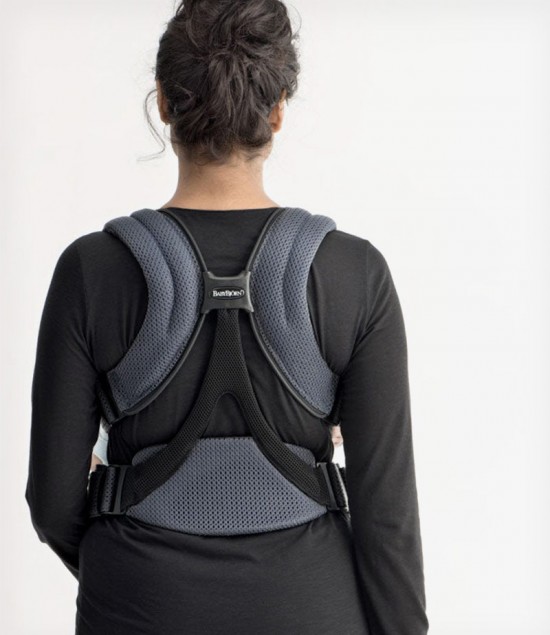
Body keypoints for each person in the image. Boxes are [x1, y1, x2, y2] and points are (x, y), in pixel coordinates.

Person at [25, 1, 429, 633]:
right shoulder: (355, 272)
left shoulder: (91, 269)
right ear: (277, 111)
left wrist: (125, 568)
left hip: (135, 604)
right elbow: (388, 513)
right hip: (310, 606)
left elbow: (52, 503)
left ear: (164, 103)